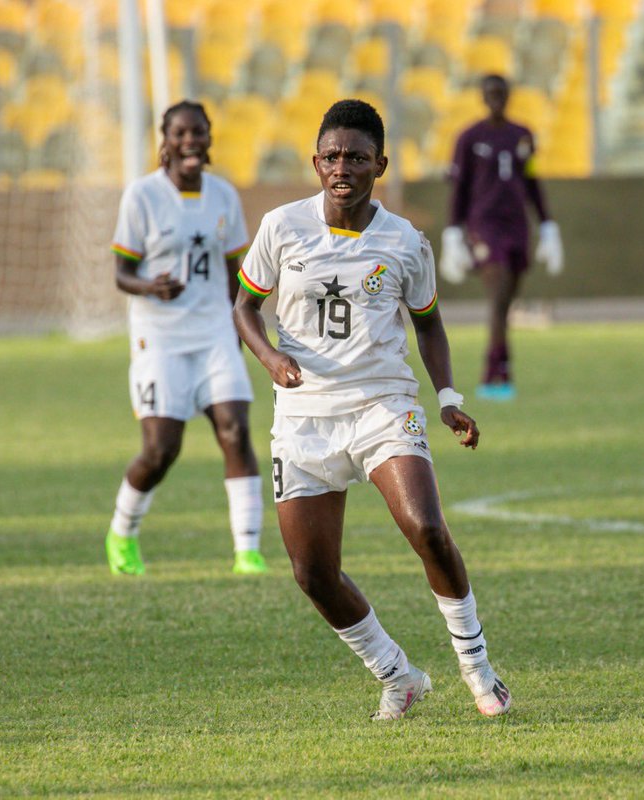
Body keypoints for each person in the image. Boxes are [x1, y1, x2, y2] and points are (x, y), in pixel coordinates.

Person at [233, 99, 511, 720]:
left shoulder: (406, 241)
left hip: (384, 405)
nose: (342, 168)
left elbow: (429, 324)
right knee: (313, 574)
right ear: (315, 162)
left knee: (427, 529)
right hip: (303, 417)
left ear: (379, 165)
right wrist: (273, 361)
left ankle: (478, 667)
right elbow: (244, 310)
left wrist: (449, 399)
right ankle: (397, 674)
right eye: (331, 156)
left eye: (356, 157)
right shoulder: (282, 228)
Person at [105, 100, 267, 576]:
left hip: (216, 331)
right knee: (161, 450)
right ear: (166, 140)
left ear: (209, 138)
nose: (191, 141)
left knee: (235, 431)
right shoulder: (142, 196)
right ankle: (122, 533)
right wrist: (149, 287)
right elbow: (121, 272)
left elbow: (235, 272)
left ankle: (248, 551)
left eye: (199, 132)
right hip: (160, 337)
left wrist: (240, 330)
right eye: (181, 133)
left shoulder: (223, 196)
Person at [438, 74, 563, 401]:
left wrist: (548, 225)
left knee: (506, 301)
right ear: (482, 96)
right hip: (484, 225)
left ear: (508, 96)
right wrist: (454, 232)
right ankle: (494, 373)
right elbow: (459, 189)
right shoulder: (468, 138)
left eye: (501, 93)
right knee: (498, 296)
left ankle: (501, 366)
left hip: (516, 225)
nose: (496, 98)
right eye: (490, 93)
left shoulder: (522, 136)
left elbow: (532, 182)